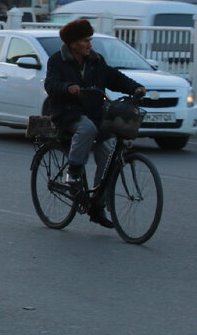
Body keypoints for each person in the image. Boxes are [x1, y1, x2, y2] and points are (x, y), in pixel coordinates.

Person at [44, 18, 145, 229]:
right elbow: (51, 84)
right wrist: (67, 87)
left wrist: (135, 88)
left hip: (95, 114)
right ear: (72, 43)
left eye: (90, 40)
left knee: (108, 153)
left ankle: (97, 205)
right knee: (86, 128)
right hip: (68, 114)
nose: (89, 45)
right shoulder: (57, 61)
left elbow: (114, 78)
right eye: (85, 41)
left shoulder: (96, 61)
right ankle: (73, 171)